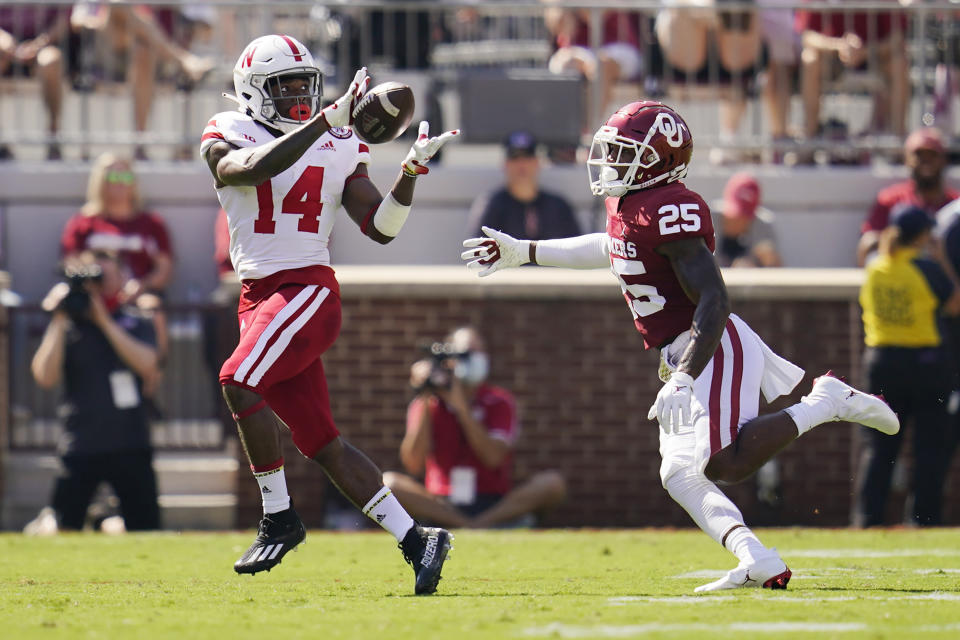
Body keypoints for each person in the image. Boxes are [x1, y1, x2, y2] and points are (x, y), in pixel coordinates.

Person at [462, 100, 900, 592]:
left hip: (711, 341)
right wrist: (525, 252)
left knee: (723, 462)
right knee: (679, 474)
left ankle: (825, 402)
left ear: (657, 160)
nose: (609, 160)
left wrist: (687, 374)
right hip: (683, 351)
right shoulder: (629, 204)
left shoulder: (669, 207)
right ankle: (756, 558)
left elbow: (715, 297)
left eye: (623, 151)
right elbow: (610, 246)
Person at [200, 34, 459, 594]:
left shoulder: (340, 139)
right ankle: (418, 540)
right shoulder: (227, 129)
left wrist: (409, 172)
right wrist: (321, 125)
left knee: (237, 381)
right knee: (321, 443)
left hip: (306, 290)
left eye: (303, 84)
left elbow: (381, 229)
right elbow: (245, 171)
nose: (297, 94)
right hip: (259, 297)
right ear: (252, 91)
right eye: (283, 85)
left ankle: (279, 517)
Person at [30, 249, 161, 532]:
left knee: (146, 528)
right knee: (66, 528)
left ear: (120, 277)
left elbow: (148, 364)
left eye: (104, 276)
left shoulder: (135, 320)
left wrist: (103, 319)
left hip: (130, 441)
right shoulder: (68, 325)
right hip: (80, 442)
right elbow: (44, 376)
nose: (98, 285)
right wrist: (59, 317)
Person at [384, 327, 566, 529]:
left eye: (478, 353)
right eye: (466, 353)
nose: (475, 359)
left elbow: (493, 456)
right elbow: (413, 463)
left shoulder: (499, 401)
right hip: (441, 502)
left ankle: (480, 523)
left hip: (492, 502)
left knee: (552, 484)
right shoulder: (427, 404)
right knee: (388, 483)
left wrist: (461, 407)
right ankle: (467, 524)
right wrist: (426, 396)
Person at [854, 205, 960, 527]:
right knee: (929, 448)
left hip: (881, 363)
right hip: (925, 365)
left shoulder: (876, 266)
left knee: (879, 448)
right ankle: (923, 520)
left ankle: (868, 519)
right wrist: (941, 257)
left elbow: (865, 258)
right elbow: (955, 304)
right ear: (923, 236)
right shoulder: (926, 268)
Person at [654, 1, 763, 164]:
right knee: (684, 11)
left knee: (735, 74)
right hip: (684, 53)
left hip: (728, 58)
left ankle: (729, 140)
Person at [796, 5, 909, 142]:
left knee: (899, 61)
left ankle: (899, 140)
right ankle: (810, 137)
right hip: (832, 59)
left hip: (874, 57)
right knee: (810, 58)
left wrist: (864, 52)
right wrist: (839, 46)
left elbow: (897, 38)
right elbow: (808, 36)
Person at [857, 128, 958, 266]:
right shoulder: (890, 199)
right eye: (919, 155)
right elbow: (868, 242)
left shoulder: (956, 206)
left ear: (943, 160)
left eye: (932, 155)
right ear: (907, 159)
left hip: (944, 281)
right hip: (901, 280)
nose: (926, 161)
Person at [467, 131, 582, 241]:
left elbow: (578, 250)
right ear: (505, 164)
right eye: (515, 157)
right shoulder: (492, 205)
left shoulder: (558, 207)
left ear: (537, 162)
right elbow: (479, 252)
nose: (522, 164)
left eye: (527, 156)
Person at [0, 5, 70, 160]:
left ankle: (53, 136)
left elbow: (63, 20)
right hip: (4, 48)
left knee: (51, 62)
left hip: (44, 46)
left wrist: (38, 45)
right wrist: (5, 42)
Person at [711, 172, 782, 268]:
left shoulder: (763, 226)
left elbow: (777, 272)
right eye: (734, 215)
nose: (738, 221)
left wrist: (769, 262)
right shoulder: (707, 220)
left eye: (744, 217)